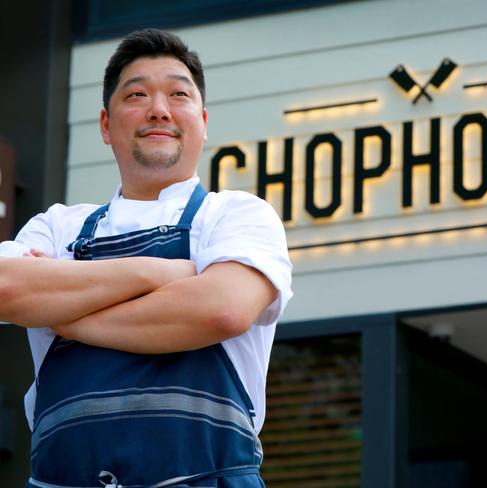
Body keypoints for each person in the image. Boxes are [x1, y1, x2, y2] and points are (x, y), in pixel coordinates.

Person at [0, 28, 292, 488]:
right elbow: (5, 288)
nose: (159, 108)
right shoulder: (58, 225)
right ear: (104, 124)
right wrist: (159, 272)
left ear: (203, 119)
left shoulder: (236, 214)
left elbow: (223, 309)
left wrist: (66, 314)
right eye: (136, 94)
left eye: (178, 93)